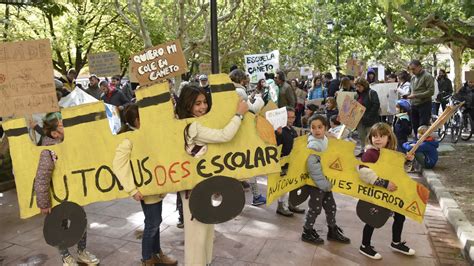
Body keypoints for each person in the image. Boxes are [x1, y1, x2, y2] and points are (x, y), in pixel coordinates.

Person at [175, 84, 249, 265]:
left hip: (204, 185)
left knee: (207, 229)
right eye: (197, 104)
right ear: (187, 106)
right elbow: (225, 135)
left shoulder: (199, 122)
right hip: (193, 188)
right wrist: (239, 114)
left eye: (204, 102)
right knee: (197, 236)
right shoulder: (193, 126)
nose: (202, 107)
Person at [113, 105, 178, 266]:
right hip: (146, 190)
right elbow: (119, 165)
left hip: (155, 188)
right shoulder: (128, 140)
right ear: (137, 120)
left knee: (155, 221)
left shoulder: (147, 135)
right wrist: (132, 189)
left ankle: (156, 254)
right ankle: (147, 258)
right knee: (152, 223)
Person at [34, 112, 100, 266]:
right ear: (55, 133)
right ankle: (66, 257)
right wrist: (44, 203)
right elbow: (42, 177)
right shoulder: (48, 150)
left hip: (74, 193)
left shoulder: (68, 142)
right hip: (58, 199)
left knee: (80, 220)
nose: (65, 125)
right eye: (62, 125)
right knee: (61, 226)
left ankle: (82, 252)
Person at [358, 122, 416, 260]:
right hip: (376, 192)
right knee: (372, 218)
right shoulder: (370, 154)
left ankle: (396, 242)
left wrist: (407, 161)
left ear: (389, 138)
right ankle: (364, 245)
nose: (377, 139)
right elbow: (363, 171)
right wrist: (383, 183)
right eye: (374, 136)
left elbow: (401, 171)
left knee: (400, 216)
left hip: (391, 193)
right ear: (370, 138)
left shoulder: (392, 153)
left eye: (382, 136)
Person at [301, 114, 350, 245]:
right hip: (317, 184)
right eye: (313, 127)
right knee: (315, 208)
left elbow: (344, 133)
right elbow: (312, 166)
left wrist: (332, 135)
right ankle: (307, 231)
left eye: (320, 127)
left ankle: (332, 230)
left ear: (325, 128)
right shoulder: (314, 144)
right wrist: (322, 183)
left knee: (331, 207)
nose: (316, 130)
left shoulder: (325, 139)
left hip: (326, 182)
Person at [275, 107, 305, 216]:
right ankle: (281, 205)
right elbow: (275, 145)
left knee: (292, 184)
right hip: (283, 161)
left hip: (292, 161)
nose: (291, 119)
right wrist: (277, 134)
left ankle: (291, 203)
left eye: (293, 117)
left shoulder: (291, 130)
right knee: (283, 185)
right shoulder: (279, 130)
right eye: (289, 117)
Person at [407, 60, 435, 138]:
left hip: (424, 104)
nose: (412, 71)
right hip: (413, 105)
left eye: (413, 69)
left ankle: (424, 145)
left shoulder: (427, 76)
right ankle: (416, 143)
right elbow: (411, 90)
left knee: (423, 127)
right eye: (411, 69)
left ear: (419, 67)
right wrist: (407, 95)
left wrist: (416, 95)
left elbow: (431, 92)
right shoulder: (413, 78)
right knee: (415, 126)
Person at [355, 77, 380, 149]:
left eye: (359, 86)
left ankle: (371, 152)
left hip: (370, 120)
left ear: (364, 85)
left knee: (370, 137)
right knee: (361, 136)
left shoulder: (372, 93)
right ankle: (363, 150)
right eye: (356, 86)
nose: (357, 88)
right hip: (360, 120)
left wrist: (368, 116)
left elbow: (376, 105)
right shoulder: (357, 95)